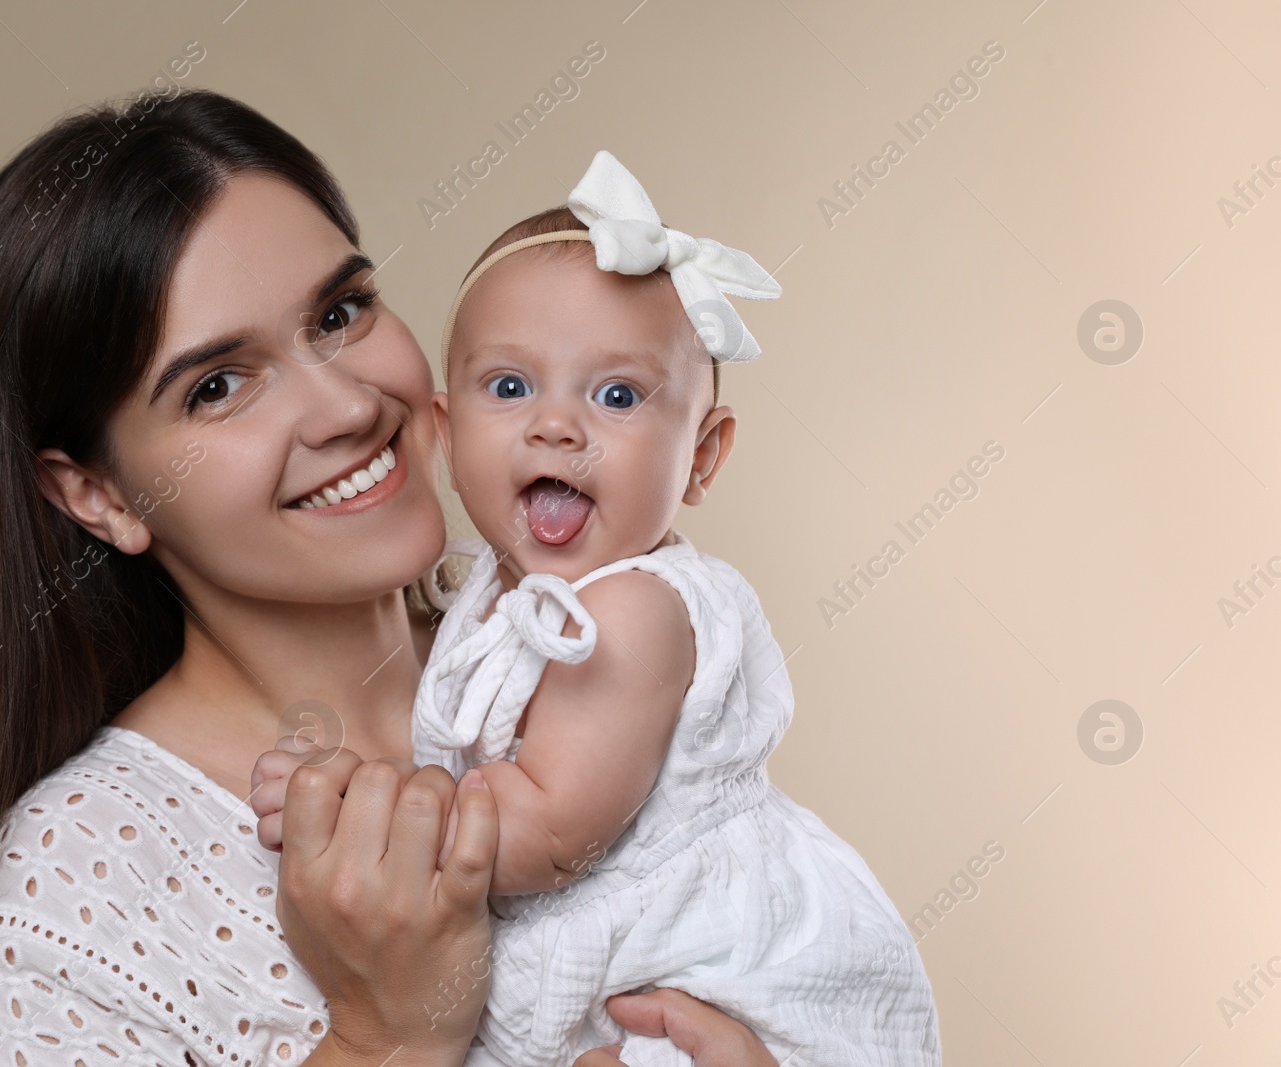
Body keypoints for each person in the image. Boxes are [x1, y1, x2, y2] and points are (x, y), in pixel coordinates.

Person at [0, 90, 777, 1067]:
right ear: (96, 493)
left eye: (340, 312)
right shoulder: (62, 910)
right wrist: (387, 1032)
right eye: (217, 384)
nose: (348, 404)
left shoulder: (570, 639)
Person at [259, 151, 941, 1067]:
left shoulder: (632, 615)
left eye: (617, 395)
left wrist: (357, 802)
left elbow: (543, 834)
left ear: (702, 457)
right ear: (447, 430)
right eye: (510, 387)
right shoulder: (497, 594)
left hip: (710, 965)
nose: (557, 426)